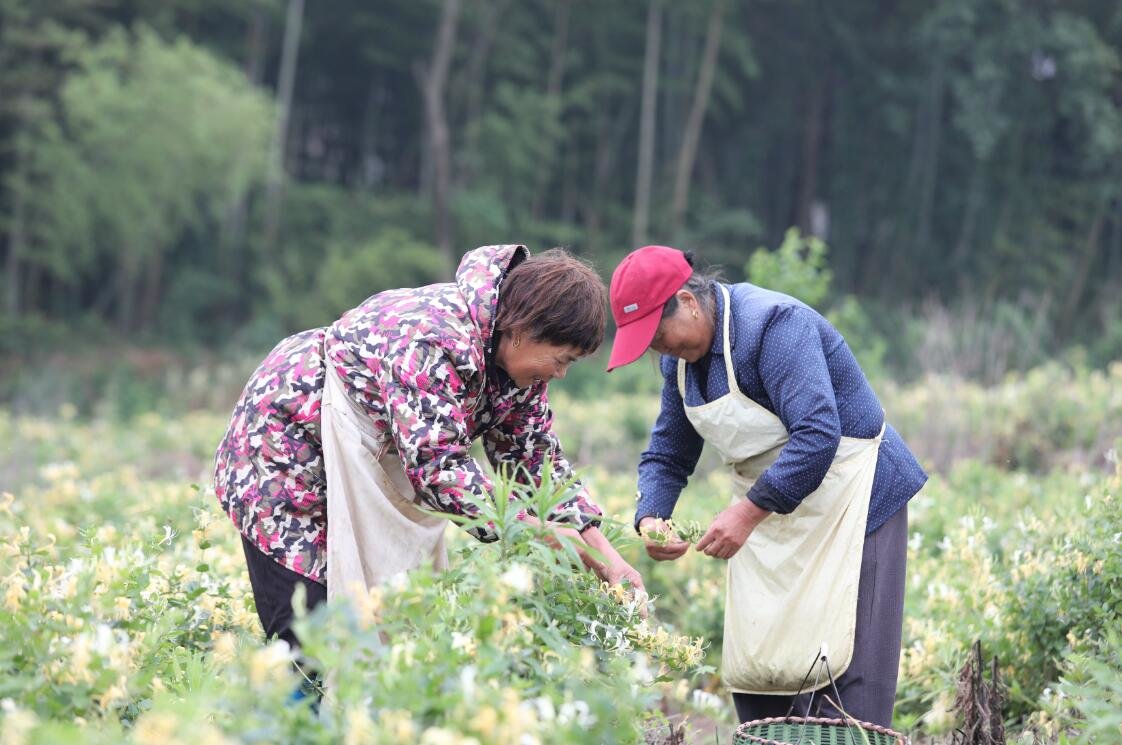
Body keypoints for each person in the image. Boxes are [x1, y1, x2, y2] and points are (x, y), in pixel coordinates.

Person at [214, 244, 644, 655]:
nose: (561, 374)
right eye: (561, 359)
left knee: (379, 622)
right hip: (287, 451)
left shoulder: (518, 376)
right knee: (306, 629)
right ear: (523, 331)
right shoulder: (432, 338)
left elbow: (536, 460)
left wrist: (604, 555)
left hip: (362, 459)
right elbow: (438, 467)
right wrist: (534, 530)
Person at [606, 245, 926, 728]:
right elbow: (668, 453)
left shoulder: (773, 327)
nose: (658, 350)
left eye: (657, 333)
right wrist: (652, 515)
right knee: (762, 676)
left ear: (689, 302)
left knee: (849, 683)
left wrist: (747, 514)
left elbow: (818, 433)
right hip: (776, 513)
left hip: (857, 501)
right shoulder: (680, 366)